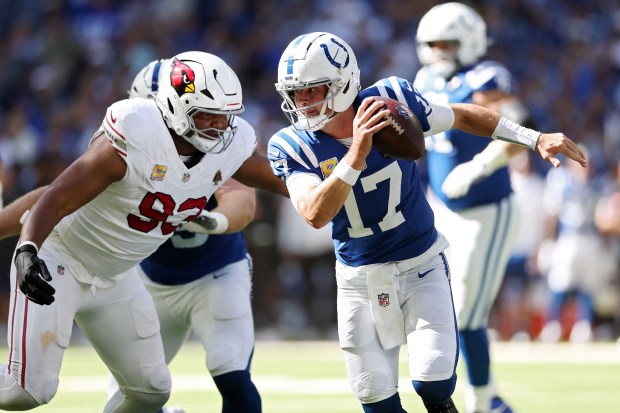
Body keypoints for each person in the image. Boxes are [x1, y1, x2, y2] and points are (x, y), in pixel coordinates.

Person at [267, 31, 585, 413]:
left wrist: (532, 138)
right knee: (375, 397)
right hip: (358, 280)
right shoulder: (289, 144)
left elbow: (463, 115)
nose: (301, 102)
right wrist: (356, 153)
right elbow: (314, 213)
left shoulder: (391, 103)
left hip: (421, 264)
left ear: (342, 84)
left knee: (433, 382)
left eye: (311, 90)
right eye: (295, 92)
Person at [2, 51, 285, 412]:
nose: (218, 125)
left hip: (116, 276)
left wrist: (344, 172)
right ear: (172, 106)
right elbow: (56, 196)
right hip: (61, 261)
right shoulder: (135, 136)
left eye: (225, 114)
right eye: (206, 113)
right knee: (25, 391)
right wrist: (28, 250)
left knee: (151, 392)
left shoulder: (228, 146)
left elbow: (281, 182)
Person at [107, 59, 262, 413]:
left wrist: (210, 220)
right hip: (149, 282)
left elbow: (241, 199)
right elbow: (68, 193)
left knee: (230, 368)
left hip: (216, 274)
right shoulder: (123, 151)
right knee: (130, 397)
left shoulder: (215, 143)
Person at [413, 3, 535, 412]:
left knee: (466, 313)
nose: (440, 51)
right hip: (443, 208)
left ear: (469, 42)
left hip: (486, 208)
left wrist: (480, 166)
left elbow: (518, 123)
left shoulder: (484, 77)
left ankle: (482, 403)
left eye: (448, 43)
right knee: (444, 309)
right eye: (433, 44)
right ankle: (492, 398)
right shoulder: (424, 79)